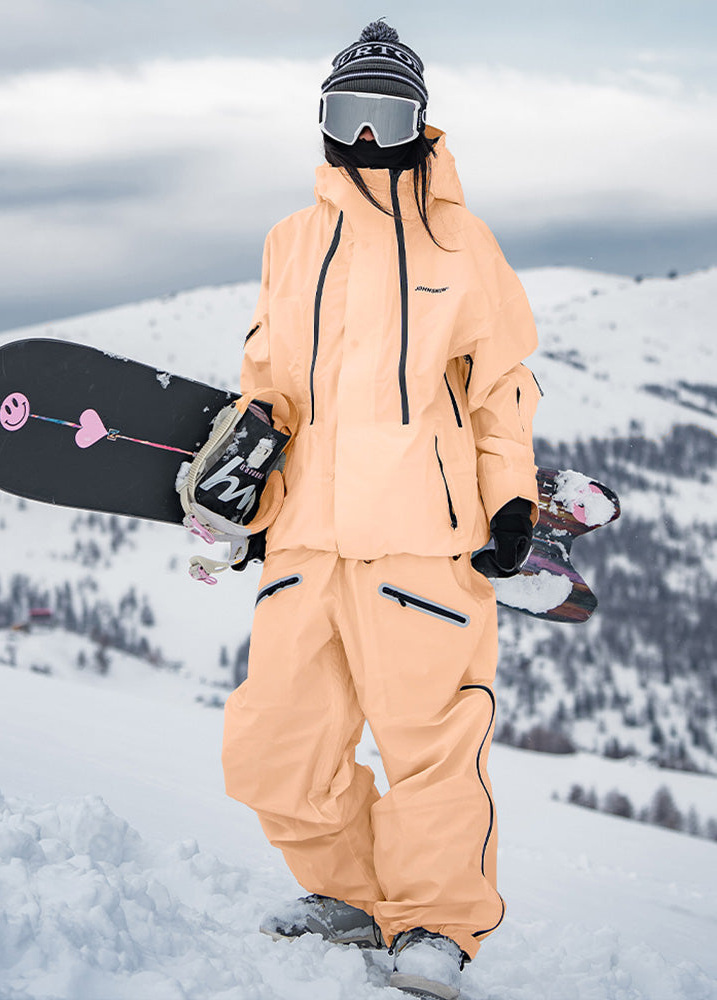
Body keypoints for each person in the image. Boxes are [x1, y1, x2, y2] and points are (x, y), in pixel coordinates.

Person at [221, 19, 541, 999]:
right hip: (306, 540)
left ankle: (435, 924)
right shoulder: (290, 240)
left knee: (431, 746)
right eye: (349, 113)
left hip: (421, 540)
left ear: (420, 126)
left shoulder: (463, 243)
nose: (366, 137)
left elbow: (501, 390)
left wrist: (511, 499)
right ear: (323, 120)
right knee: (275, 745)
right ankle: (353, 893)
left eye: (386, 116)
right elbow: (270, 383)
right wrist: (251, 488)